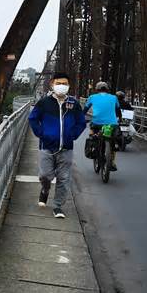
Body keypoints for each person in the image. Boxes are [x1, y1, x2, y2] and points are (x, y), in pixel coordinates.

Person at [28, 72, 86, 219]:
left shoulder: (73, 104)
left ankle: (58, 206)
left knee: (64, 178)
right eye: (59, 83)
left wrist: (73, 135)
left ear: (69, 86)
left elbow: (81, 122)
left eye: (65, 84)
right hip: (47, 146)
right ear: (52, 84)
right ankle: (45, 189)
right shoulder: (44, 103)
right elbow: (33, 118)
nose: (62, 86)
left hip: (66, 148)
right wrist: (42, 134)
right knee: (45, 175)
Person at [84, 82, 121, 170]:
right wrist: (120, 119)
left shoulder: (92, 97)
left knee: (92, 133)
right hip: (112, 124)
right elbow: (118, 111)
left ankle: (92, 147)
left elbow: (85, 110)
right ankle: (111, 161)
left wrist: (82, 119)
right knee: (113, 142)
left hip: (97, 122)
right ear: (107, 89)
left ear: (97, 89)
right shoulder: (114, 97)